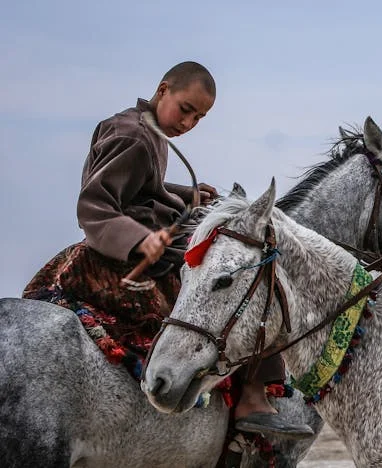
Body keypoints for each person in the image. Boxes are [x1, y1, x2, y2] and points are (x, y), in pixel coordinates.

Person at [22, 60, 311, 439]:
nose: (189, 123)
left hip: (154, 234)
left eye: (199, 118)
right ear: (163, 91)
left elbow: (140, 185)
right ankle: (252, 398)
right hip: (142, 249)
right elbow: (95, 204)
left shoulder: (141, 128)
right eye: (186, 110)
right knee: (247, 284)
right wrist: (139, 240)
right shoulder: (133, 135)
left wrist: (182, 193)